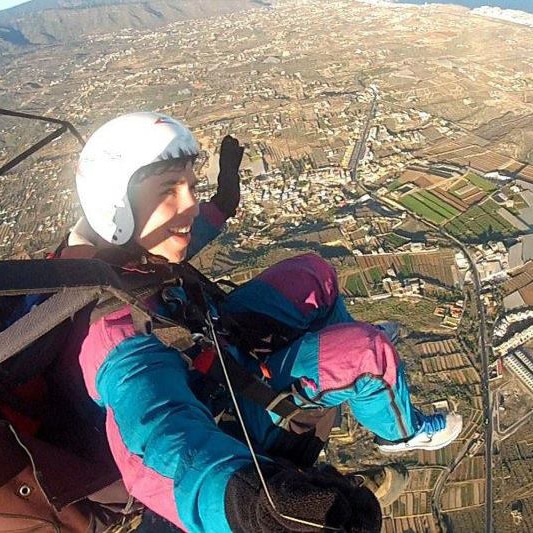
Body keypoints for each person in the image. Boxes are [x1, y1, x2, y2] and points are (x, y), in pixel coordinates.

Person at [56, 111, 461, 532]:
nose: (189, 202)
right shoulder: (117, 341)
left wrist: (223, 202)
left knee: (312, 274)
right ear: (116, 207)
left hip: (214, 345)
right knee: (367, 354)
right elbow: (160, 451)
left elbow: (177, 235)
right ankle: (401, 431)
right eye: (168, 190)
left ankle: (338, 348)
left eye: (190, 186)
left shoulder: (118, 257)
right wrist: (255, 507)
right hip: (225, 405)